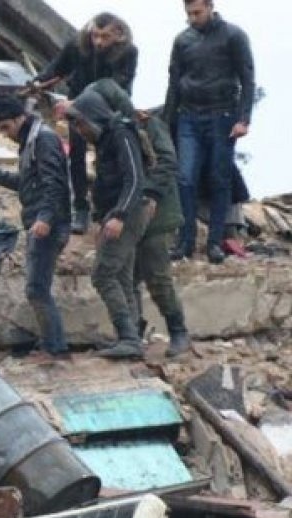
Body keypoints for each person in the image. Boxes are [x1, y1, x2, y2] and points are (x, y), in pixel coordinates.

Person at [90, 78, 192, 358]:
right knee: (127, 277)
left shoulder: (147, 124)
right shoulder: (114, 131)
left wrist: (149, 195)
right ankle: (132, 335)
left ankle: (178, 331)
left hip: (156, 213)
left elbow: (168, 161)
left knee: (157, 276)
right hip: (130, 213)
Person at [0, 95, 72, 361]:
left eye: (6, 127)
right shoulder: (30, 141)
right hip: (41, 222)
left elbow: (54, 183)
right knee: (37, 287)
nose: (5, 135)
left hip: (48, 224)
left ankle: (56, 349)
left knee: (36, 288)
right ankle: (53, 346)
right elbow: (28, 183)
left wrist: (45, 217)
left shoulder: (42, 139)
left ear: (20, 118)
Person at [164, 0, 255, 264]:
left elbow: (247, 78)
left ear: (210, 7)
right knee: (185, 178)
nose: (193, 18)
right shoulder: (182, 41)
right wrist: (167, 122)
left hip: (223, 115)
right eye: (189, 13)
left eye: (198, 12)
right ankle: (186, 241)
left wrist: (244, 119)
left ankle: (214, 243)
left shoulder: (234, 36)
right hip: (189, 116)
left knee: (219, 178)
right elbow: (173, 83)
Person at [31, 12, 137, 234]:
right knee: (76, 156)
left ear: (117, 35)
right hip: (77, 109)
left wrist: (86, 100)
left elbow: (119, 85)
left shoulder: (128, 52)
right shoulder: (78, 45)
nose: (98, 42)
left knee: (109, 159)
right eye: (95, 35)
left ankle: (109, 206)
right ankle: (80, 207)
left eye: (104, 37)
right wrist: (39, 80)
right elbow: (57, 67)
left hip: (108, 111)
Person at [65, 88, 149, 360]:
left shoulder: (121, 134)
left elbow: (134, 178)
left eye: (79, 122)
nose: (78, 130)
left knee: (103, 274)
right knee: (122, 276)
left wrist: (119, 215)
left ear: (92, 117)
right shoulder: (106, 139)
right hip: (117, 214)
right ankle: (131, 337)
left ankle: (128, 338)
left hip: (128, 214)